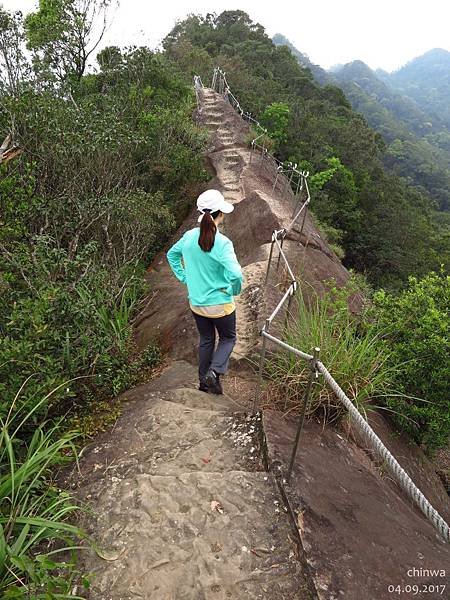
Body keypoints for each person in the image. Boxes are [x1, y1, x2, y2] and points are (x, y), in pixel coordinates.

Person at [167, 189, 243, 394]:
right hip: (220, 304)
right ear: (220, 213)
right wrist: (232, 290)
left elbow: (171, 255)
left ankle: (204, 382)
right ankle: (215, 372)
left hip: (197, 303)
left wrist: (184, 277)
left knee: (207, 340)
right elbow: (236, 274)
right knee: (228, 339)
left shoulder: (189, 237)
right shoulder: (223, 243)